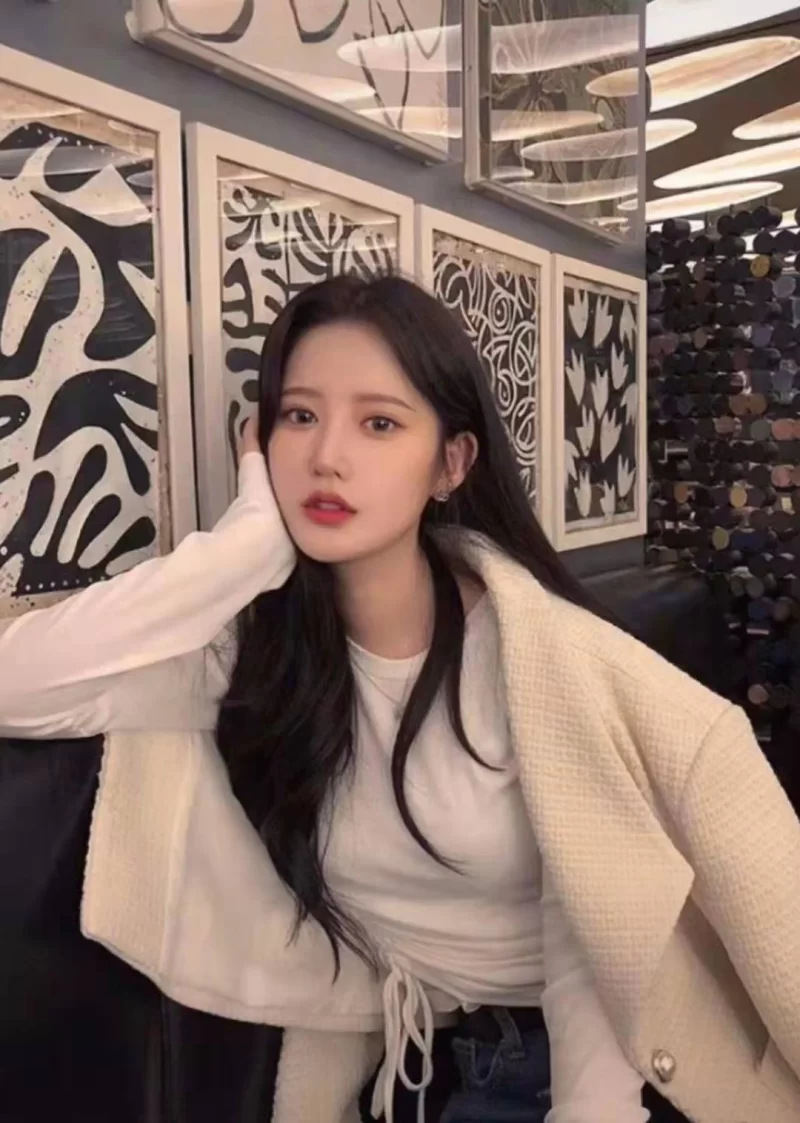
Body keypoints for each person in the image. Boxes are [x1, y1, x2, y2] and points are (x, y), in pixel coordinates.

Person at [0, 274, 798, 1123]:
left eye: (379, 423)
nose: (327, 456)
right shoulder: (256, 657)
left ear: (450, 463)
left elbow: (594, 938)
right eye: (299, 416)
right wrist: (247, 547)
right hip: (412, 1060)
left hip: (596, 1064)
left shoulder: (539, 666)